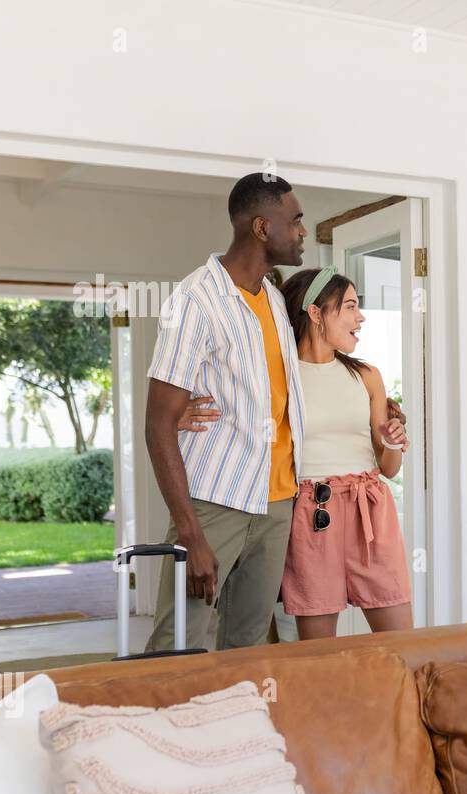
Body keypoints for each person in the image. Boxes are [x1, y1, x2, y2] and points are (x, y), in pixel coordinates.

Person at [143, 172, 307, 652]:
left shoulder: (273, 298)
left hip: (276, 501)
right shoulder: (194, 302)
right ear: (261, 228)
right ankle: (153, 728)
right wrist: (191, 535)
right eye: (295, 220)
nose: (301, 231)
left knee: (248, 645)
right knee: (178, 644)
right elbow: (157, 425)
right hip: (214, 501)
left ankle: (233, 729)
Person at [276, 266, 413, 638]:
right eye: (350, 306)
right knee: (320, 656)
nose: (361, 317)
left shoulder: (367, 376)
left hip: (369, 506)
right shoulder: (281, 379)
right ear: (317, 313)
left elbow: (389, 468)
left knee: (401, 644)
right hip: (313, 513)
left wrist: (391, 440)